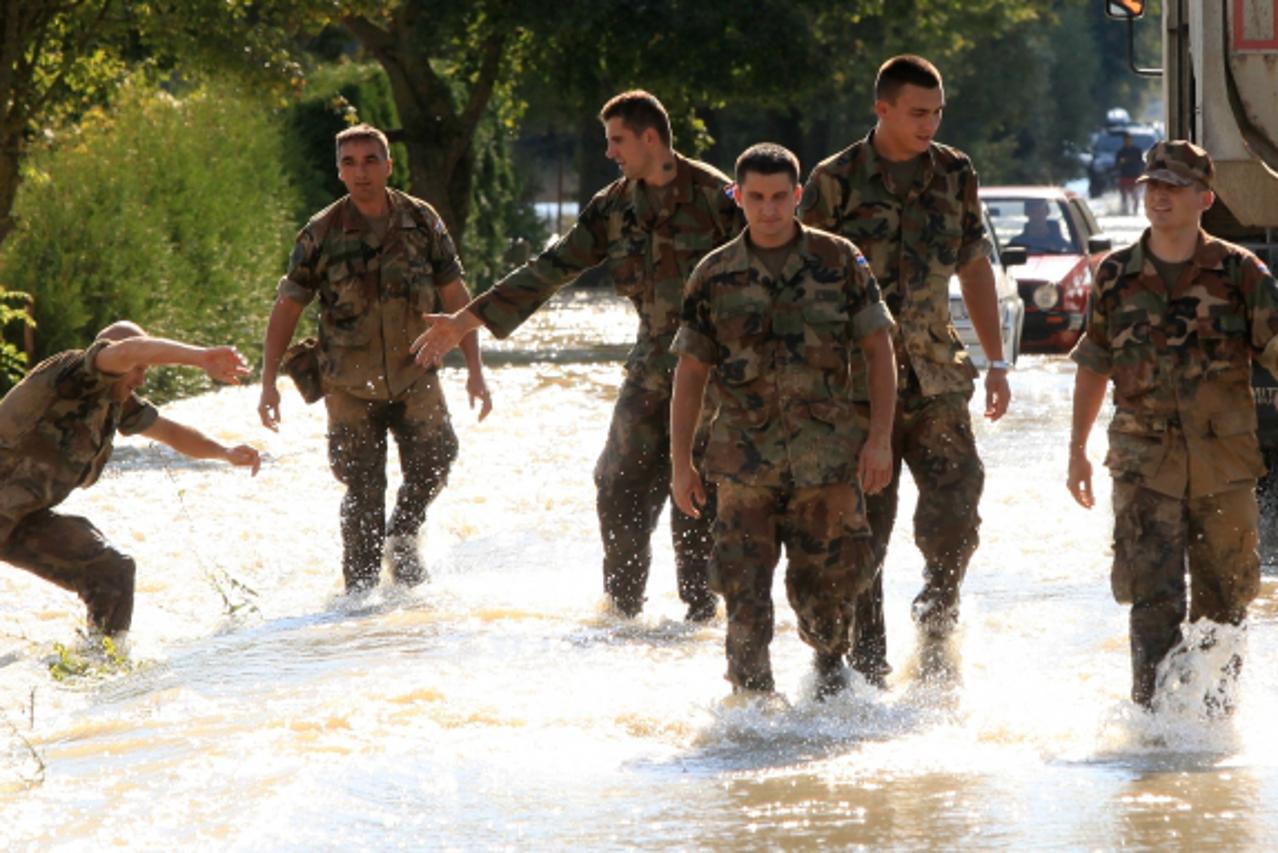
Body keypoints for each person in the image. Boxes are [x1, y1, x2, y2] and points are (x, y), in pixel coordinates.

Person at [411, 91, 742, 621]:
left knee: (699, 497)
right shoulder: (613, 206)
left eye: (617, 141)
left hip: (717, 379)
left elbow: (771, 272)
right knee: (616, 484)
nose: (609, 152)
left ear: (650, 138)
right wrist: (465, 320)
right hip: (650, 371)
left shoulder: (720, 197)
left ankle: (702, 619)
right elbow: (551, 268)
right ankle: (622, 617)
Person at [799, 55, 1011, 686]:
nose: (930, 124)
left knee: (957, 509)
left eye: (938, 112)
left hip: (936, 376)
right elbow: (802, 283)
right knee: (862, 529)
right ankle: (862, 666)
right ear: (883, 109)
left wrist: (997, 361)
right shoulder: (834, 181)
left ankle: (938, 615)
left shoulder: (955, 172)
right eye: (918, 113)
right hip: (858, 387)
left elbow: (973, 265)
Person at [670, 142, 897, 698]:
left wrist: (880, 440)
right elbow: (691, 373)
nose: (768, 209)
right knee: (743, 598)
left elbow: (878, 350)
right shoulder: (713, 274)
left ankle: (827, 684)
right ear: (738, 197)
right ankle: (752, 716)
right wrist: (680, 464)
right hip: (743, 466)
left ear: (797, 195)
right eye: (756, 197)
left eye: (778, 197)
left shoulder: (839, 260)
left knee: (828, 601)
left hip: (827, 465)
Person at [1067, 140, 1278, 711]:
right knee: (1152, 603)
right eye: (1153, 187)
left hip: (1223, 466)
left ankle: (1213, 723)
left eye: (1174, 188)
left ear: (1205, 198)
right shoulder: (1115, 274)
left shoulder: (1240, 272)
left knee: (1225, 605)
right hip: (1144, 464)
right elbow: (1094, 362)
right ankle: (1154, 727)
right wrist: (1077, 450)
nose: (1159, 197)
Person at [258, 123, 491, 593]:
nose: (360, 172)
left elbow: (454, 293)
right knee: (363, 491)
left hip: (415, 372)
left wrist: (475, 370)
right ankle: (359, 603)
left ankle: (402, 535)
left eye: (370, 161)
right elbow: (287, 306)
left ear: (388, 166)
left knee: (437, 458)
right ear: (339, 171)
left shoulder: (422, 221)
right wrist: (267, 383)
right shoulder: (320, 233)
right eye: (349, 163)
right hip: (349, 385)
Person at [0, 322, 260, 635]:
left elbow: (169, 432)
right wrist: (200, 357)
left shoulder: (116, 400)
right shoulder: (73, 372)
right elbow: (131, 350)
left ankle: (103, 659)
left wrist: (224, 452)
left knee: (111, 571)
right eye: (138, 369)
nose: (141, 379)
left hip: (19, 518)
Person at [1115, 133, 1145, 216]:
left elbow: (1141, 162)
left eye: (1129, 140)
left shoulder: (1137, 151)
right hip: (1124, 175)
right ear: (1124, 141)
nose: (1127, 142)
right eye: (1126, 140)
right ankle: (1124, 210)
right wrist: (1120, 162)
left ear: (1131, 140)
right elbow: (1116, 164)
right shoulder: (1121, 152)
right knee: (1124, 195)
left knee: (1135, 195)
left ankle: (1135, 211)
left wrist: (1142, 172)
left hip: (1135, 175)